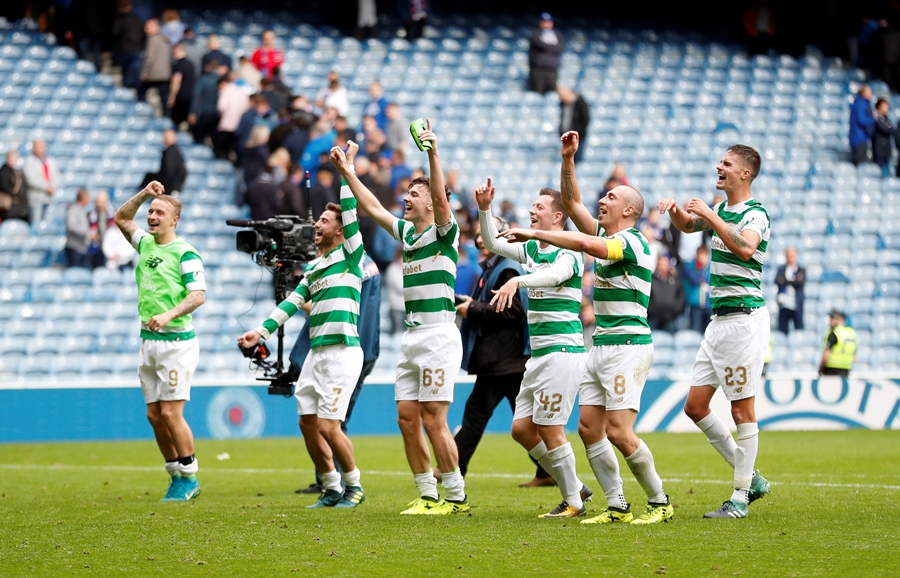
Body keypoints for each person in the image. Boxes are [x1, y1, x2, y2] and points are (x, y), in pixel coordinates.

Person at [501, 130, 673, 525]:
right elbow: (573, 202)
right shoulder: (603, 232)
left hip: (628, 344)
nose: (602, 200)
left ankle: (660, 501)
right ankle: (617, 505)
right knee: (589, 428)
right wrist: (567, 160)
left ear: (629, 210)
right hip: (600, 345)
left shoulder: (634, 243)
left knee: (618, 431)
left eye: (612, 197)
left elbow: (585, 246)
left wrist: (535, 232)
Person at [331, 122, 469, 515]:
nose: (406, 198)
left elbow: (443, 202)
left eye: (415, 193)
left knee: (434, 419)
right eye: (407, 192)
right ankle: (427, 494)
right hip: (411, 337)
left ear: (432, 201)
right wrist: (348, 172)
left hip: (439, 335)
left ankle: (455, 496)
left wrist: (432, 152)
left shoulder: (445, 232)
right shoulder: (408, 234)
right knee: (407, 418)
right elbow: (373, 208)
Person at [237, 142, 369, 509]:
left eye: (325, 221)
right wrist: (260, 332)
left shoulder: (351, 256)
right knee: (307, 422)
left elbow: (350, 210)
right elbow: (291, 304)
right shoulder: (314, 269)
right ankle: (329, 486)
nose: (317, 226)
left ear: (340, 231)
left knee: (329, 425)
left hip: (343, 352)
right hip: (317, 352)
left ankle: (353, 486)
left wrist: (346, 170)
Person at [657, 143, 772, 519]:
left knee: (742, 410)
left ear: (745, 174)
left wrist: (710, 214)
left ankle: (740, 497)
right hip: (719, 322)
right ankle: (751, 476)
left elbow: (745, 249)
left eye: (726, 163)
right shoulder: (720, 210)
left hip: (744, 321)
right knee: (695, 406)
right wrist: (676, 212)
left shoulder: (755, 214)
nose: (718, 167)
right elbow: (690, 226)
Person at [478, 179, 595, 518]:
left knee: (549, 428)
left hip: (562, 351)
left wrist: (517, 280)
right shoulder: (531, 249)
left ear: (558, 216)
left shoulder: (570, 250)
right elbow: (491, 243)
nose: (532, 210)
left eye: (539, 207)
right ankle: (573, 484)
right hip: (540, 354)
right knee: (522, 430)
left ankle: (573, 501)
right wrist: (485, 209)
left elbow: (555, 276)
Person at [113, 181, 206, 502]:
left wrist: (168, 315)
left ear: (174, 220)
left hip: (176, 343)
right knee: (154, 415)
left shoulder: (186, 252)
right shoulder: (146, 244)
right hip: (148, 341)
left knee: (170, 413)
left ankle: (190, 478)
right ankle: (174, 476)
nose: (152, 216)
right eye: (151, 211)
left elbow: (198, 295)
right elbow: (122, 219)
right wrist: (144, 194)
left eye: (159, 212)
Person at [454, 216, 542, 481]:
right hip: (506, 358)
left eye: (488, 233)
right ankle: (548, 469)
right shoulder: (496, 266)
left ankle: (453, 469)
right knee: (524, 421)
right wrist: (474, 303)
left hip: (503, 358)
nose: (481, 239)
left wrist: (473, 308)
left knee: (476, 416)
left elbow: (513, 309)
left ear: (504, 236)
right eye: (480, 234)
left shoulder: (507, 268)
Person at [294, 250, 381, 495]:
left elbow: (340, 309)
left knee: (332, 422)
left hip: (349, 348)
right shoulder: (359, 264)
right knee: (316, 420)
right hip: (349, 345)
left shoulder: (354, 263)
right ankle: (330, 481)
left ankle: (345, 484)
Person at [22, 139, 60, 224]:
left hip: (49, 198)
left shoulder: (50, 160)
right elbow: (31, 179)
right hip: (36, 199)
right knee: (36, 224)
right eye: (38, 147)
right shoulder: (29, 161)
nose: (41, 149)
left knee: (47, 225)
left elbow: (56, 176)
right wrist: (46, 188)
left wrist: (53, 186)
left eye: (42, 147)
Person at [139, 18, 171, 115]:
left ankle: (142, 112)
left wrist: (145, 72)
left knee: (141, 92)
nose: (145, 30)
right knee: (164, 98)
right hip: (165, 73)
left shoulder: (152, 40)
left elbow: (150, 58)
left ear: (156, 27)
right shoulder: (165, 40)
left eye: (148, 27)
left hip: (154, 73)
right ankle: (166, 115)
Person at [527, 13, 564, 95]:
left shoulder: (556, 34)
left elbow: (560, 48)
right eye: (544, 21)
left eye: (548, 21)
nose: (546, 24)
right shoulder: (535, 33)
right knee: (537, 92)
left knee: (551, 92)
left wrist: (547, 49)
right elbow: (539, 43)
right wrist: (552, 48)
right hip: (538, 69)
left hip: (552, 69)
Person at [647, 254, 685, 334]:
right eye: (661, 264)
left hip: (670, 318)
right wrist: (651, 310)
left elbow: (681, 296)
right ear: (657, 265)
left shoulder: (675, 280)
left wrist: (675, 309)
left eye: (665, 264)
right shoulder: (651, 279)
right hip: (653, 318)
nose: (662, 267)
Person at [142, 129, 187, 196]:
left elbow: (168, 172)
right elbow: (184, 172)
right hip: (174, 187)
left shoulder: (169, 153)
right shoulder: (178, 152)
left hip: (168, 188)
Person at [681, 244, 712, 334]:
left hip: (708, 305)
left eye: (705, 255)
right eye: (701, 254)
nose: (704, 257)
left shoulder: (710, 268)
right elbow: (695, 279)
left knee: (709, 334)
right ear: (697, 255)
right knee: (695, 332)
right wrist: (701, 269)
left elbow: (710, 281)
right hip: (695, 306)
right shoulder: (689, 266)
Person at [775, 247, 805, 334]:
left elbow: (799, 283)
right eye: (788, 256)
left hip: (796, 305)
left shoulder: (801, 270)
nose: (790, 258)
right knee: (782, 331)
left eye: (792, 256)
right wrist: (793, 280)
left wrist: (786, 281)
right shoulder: (781, 269)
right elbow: (777, 281)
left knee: (799, 330)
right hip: (784, 304)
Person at [818, 310, 857, 377]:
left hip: (831, 370)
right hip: (846, 370)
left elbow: (826, 354)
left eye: (832, 318)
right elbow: (854, 356)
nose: (830, 320)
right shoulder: (852, 334)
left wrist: (820, 369)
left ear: (839, 319)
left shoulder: (834, 333)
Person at [557, 86, 590, 164]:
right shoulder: (562, 104)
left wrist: (579, 132)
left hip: (577, 137)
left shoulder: (580, 103)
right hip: (566, 136)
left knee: (576, 158)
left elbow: (585, 119)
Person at [168, 42, 197, 130]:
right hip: (191, 96)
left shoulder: (179, 65)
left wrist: (172, 96)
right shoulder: (191, 64)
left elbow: (177, 80)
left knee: (176, 121)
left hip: (181, 97)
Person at [65, 188, 93, 269]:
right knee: (75, 271)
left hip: (81, 247)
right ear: (83, 199)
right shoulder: (73, 210)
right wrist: (86, 233)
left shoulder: (81, 210)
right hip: (74, 247)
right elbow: (71, 226)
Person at [849, 83, 875, 165]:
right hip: (859, 138)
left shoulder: (858, 103)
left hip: (856, 137)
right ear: (864, 93)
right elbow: (862, 120)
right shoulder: (861, 104)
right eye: (869, 92)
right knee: (861, 165)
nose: (871, 94)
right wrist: (873, 118)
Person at [88, 190, 114, 269]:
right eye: (98, 202)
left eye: (101, 202)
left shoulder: (113, 213)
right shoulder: (91, 214)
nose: (99, 204)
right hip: (97, 247)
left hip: (110, 246)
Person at [0, 149, 27, 223]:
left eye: (15, 158)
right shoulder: (4, 171)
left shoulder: (18, 171)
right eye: (11, 158)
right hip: (10, 208)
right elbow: (5, 187)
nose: (13, 160)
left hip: (20, 209)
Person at [872, 97, 893, 177]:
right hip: (879, 152)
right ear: (879, 107)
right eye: (885, 106)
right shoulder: (876, 118)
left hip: (886, 151)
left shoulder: (886, 119)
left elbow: (891, 129)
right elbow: (886, 129)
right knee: (881, 174)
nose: (887, 108)